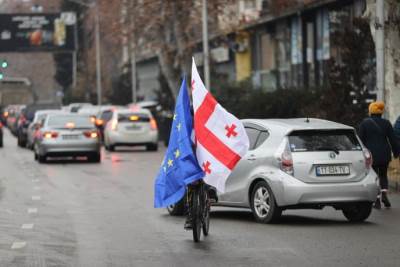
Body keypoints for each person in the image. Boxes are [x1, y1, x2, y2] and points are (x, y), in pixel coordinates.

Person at [359, 101, 399, 209]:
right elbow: (393, 140)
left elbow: (360, 141)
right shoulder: (386, 123)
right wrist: (396, 152)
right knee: (383, 175)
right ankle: (384, 194)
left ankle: (376, 199)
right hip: (384, 153)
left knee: (374, 176)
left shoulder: (364, 124)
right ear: (381, 112)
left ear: (370, 111)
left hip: (371, 155)